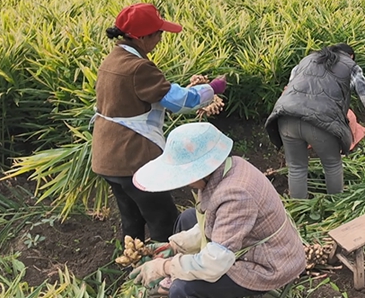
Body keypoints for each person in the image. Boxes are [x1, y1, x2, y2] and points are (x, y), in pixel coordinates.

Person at [92, 3, 226, 243]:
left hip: (107, 155)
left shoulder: (113, 59)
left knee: (131, 219)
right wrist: (211, 89)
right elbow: (177, 101)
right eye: (159, 33)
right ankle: (166, 263)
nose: (161, 39)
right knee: (164, 220)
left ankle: (134, 261)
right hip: (132, 156)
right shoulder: (138, 67)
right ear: (142, 37)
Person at [130, 123, 305, 298]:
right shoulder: (229, 166)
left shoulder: (236, 194)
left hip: (270, 264)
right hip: (248, 243)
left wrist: (165, 267)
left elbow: (215, 263)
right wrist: (175, 247)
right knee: (187, 218)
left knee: (182, 289)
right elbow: (213, 223)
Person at [265, 44, 365, 199]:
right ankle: (336, 205)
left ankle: (299, 208)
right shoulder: (351, 66)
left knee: (296, 168)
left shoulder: (306, 61)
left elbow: (289, 90)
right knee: (332, 165)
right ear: (350, 56)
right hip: (321, 121)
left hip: (285, 118)